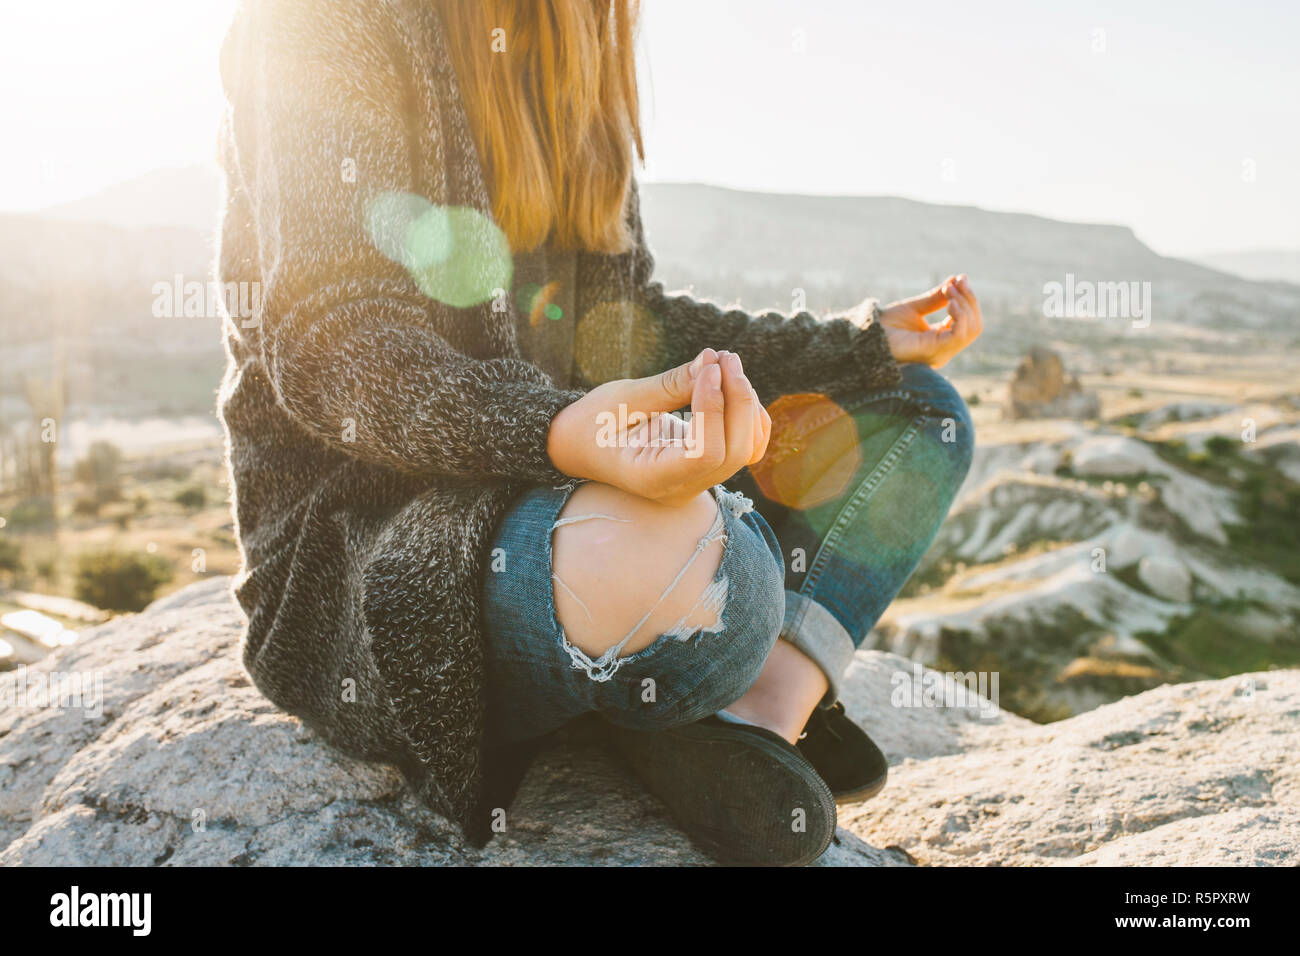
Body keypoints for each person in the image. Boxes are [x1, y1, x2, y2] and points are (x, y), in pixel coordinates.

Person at [217, 0, 980, 866]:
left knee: (918, 409)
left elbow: (632, 327)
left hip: (576, 485)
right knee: (699, 564)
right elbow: (334, 345)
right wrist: (562, 432)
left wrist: (855, 342)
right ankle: (673, 668)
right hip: (380, 545)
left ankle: (752, 720)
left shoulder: (577, 44)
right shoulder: (324, 19)